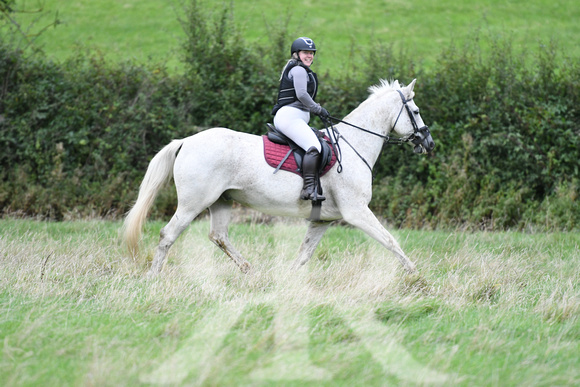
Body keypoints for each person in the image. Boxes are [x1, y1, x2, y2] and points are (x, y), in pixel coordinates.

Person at [272, 37, 330, 201]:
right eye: (306, 53)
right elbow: (302, 94)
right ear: (296, 54)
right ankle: (308, 189)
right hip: (289, 117)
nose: (309, 56)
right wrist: (317, 108)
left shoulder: (302, 70)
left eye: (311, 53)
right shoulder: (299, 70)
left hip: (295, 117)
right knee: (314, 146)